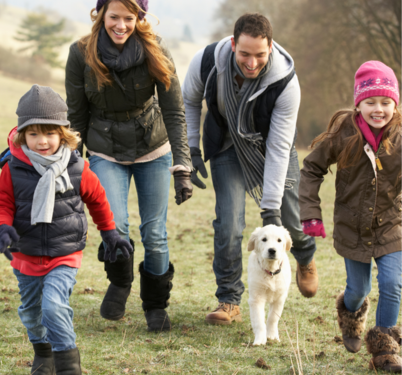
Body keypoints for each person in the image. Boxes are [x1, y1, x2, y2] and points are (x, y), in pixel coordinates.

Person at [182, 13, 318, 325]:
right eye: (244, 54)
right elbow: (189, 101)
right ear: (232, 45)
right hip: (227, 146)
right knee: (229, 225)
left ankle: (306, 255)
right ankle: (229, 299)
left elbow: (279, 147)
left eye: (260, 55)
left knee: (290, 222)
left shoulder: (286, 82)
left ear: (271, 47)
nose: (252, 63)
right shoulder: (207, 62)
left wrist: (271, 210)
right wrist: (190, 149)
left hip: (270, 148)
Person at [65, 0, 193, 332]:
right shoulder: (81, 53)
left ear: (140, 18)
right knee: (115, 226)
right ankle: (120, 283)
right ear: (100, 14)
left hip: (153, 146)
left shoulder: (155, 50)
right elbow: (76, 118)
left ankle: (155, 304)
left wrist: (182, 166)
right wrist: (70, 167)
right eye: (114, 17)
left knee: (155, 233)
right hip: (105, 149)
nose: (121, 25)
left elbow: (175, 112)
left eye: (129, 18)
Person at [0, 85, 132, 375]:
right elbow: (1, 203)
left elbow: (98, 200)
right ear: (21, 135)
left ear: (63, 133)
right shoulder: (13, 168)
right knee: (31, 315)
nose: (42, 141)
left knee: (54, 306)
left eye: (50, 133)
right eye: (34, 134)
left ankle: (68, 365)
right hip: (25, 254)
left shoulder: (78, 168)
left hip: (64, 253)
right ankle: (44, 354)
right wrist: (2, 228)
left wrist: (110, 233)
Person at [299, 61, 401, 372]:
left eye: (385, 102)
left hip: (391, 225)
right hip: (352, 228)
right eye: (370, 102)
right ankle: (350, 313)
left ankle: (385, 349)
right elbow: (311, 169)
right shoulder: (342, 134)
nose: (378, 109)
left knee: (393, 283)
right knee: (359, 290)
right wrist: (310, 215)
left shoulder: (399, 136)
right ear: (358, 104)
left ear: (395, 104)